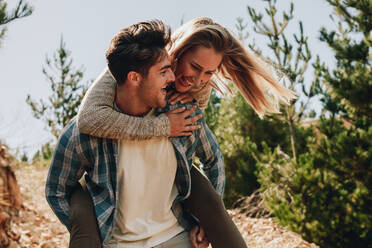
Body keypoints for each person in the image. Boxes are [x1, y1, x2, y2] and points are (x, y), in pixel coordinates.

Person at [75, 17, 296, 247]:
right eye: (196, 67)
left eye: (209, 73)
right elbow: (89, 118)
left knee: (210, 201)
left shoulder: (199, 88)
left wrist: (204, 221)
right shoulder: (138, 63)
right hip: (116, 162)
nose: (199, 80)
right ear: (177, 53)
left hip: (169, 163)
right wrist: (164, 127)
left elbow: (200, 144)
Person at [46, 20, 225, 248]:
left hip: (177, 237)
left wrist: (205, 222)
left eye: (207, 72)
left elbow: (214, 159)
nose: (172, 79)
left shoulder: (182, 113)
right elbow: (56, 189)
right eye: (163, 71)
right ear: (134, 78)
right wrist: (91, 232)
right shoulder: (87, 130)